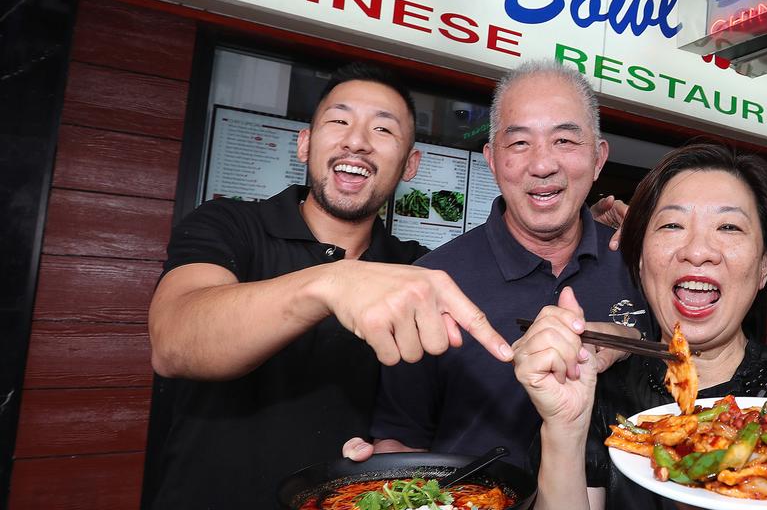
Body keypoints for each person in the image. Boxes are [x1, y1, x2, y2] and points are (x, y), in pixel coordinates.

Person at [147, 62, 513, 509]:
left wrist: (616, 239)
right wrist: (331, 282)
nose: (356, 141)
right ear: (305, 144)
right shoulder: (229, 225)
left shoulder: (417, 267)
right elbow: (174, 342)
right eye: (339, 121)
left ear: (410, 165)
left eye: (383, 130)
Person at [349, 60, 649, 471]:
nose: (542, 165)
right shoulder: (434, 280)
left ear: (598, 159)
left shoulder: (642, 268)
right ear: (492, 160)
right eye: (520, 143)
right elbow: (400, 434)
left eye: (564, 140)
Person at [512, 141, 767, 510]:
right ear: (640, 259)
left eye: (728, 226)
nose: (697, 250)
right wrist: (564, 428)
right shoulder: (599, 390)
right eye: (672, 224)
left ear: (764, 265)